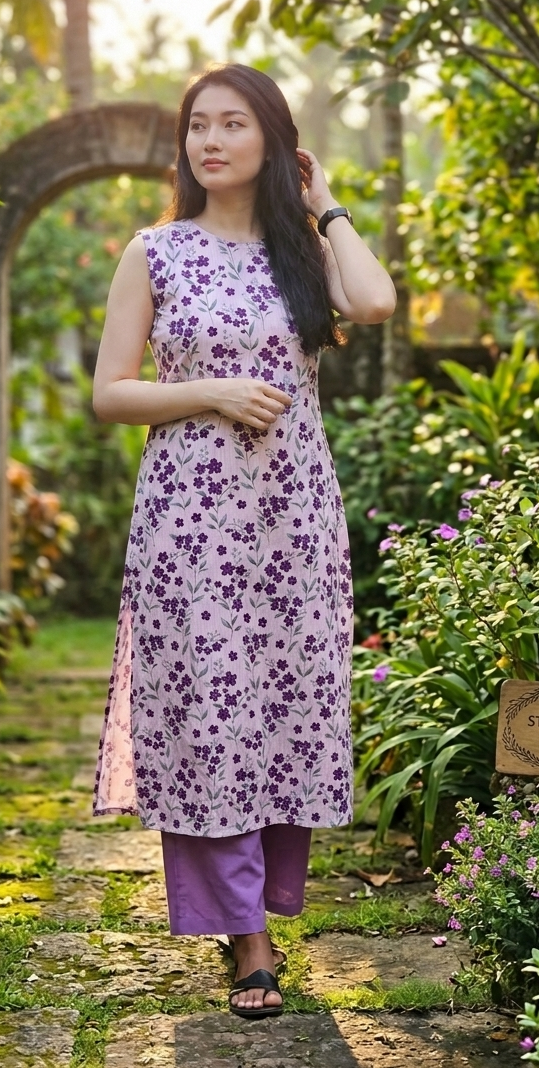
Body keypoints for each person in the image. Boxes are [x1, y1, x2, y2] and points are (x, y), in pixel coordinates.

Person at [92, 63, 396, 1019]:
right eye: (197, 126)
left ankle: (265, 906)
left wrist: (329, 205)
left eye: (232, 124)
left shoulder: (301, 253)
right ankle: (246, 943)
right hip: (192, 521)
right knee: (210, 716)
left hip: (294, 519)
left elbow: (377, 303)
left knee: (283, 706)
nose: (210, 141)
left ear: (272, 140)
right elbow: (110, 393)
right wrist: (212, 393)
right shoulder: (155, 251)